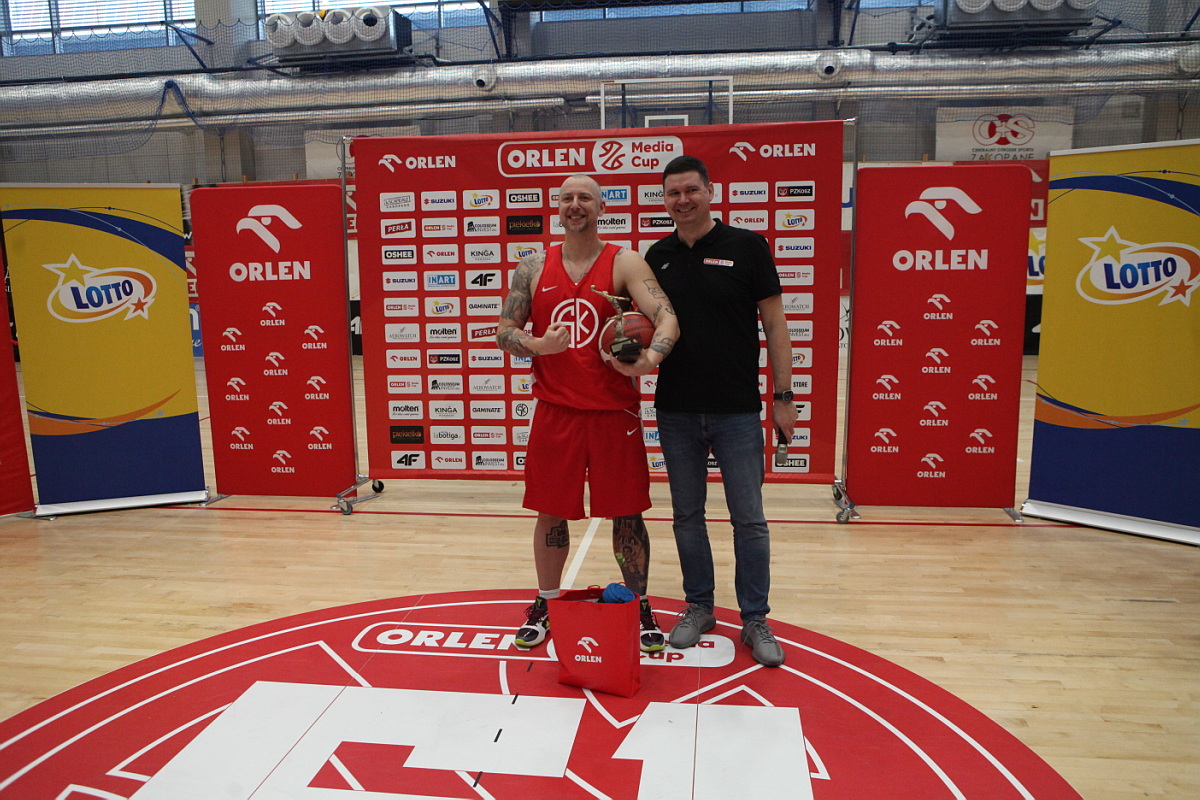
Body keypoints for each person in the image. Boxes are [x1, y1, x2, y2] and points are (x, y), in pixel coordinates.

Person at [496, 173, 679, 653]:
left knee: (627, 515)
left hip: (614, 414)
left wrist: (650, 358)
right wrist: (538, 345)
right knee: (550, 512)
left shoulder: (624, 261)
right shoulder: (533, 266)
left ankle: (638, 604)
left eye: (585, 198)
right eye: (567, 198)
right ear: (557, 207)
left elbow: (666, 317)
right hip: (556, 412)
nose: (575, 205)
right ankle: (547, 601)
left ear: (601, 207)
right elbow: (504, 330)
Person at [644, 155, 796, 668]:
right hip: (676, 410)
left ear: (710, 191)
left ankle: (755, 618)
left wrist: (783, 397)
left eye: (691, 190)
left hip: (736, 411)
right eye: (673, 193)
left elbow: (776, 325)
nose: (682, 200)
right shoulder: (657, 256)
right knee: (687, 516)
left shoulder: (747, 246)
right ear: (665, 200)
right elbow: (642, 327)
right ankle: (700, 607)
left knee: (749, 520)